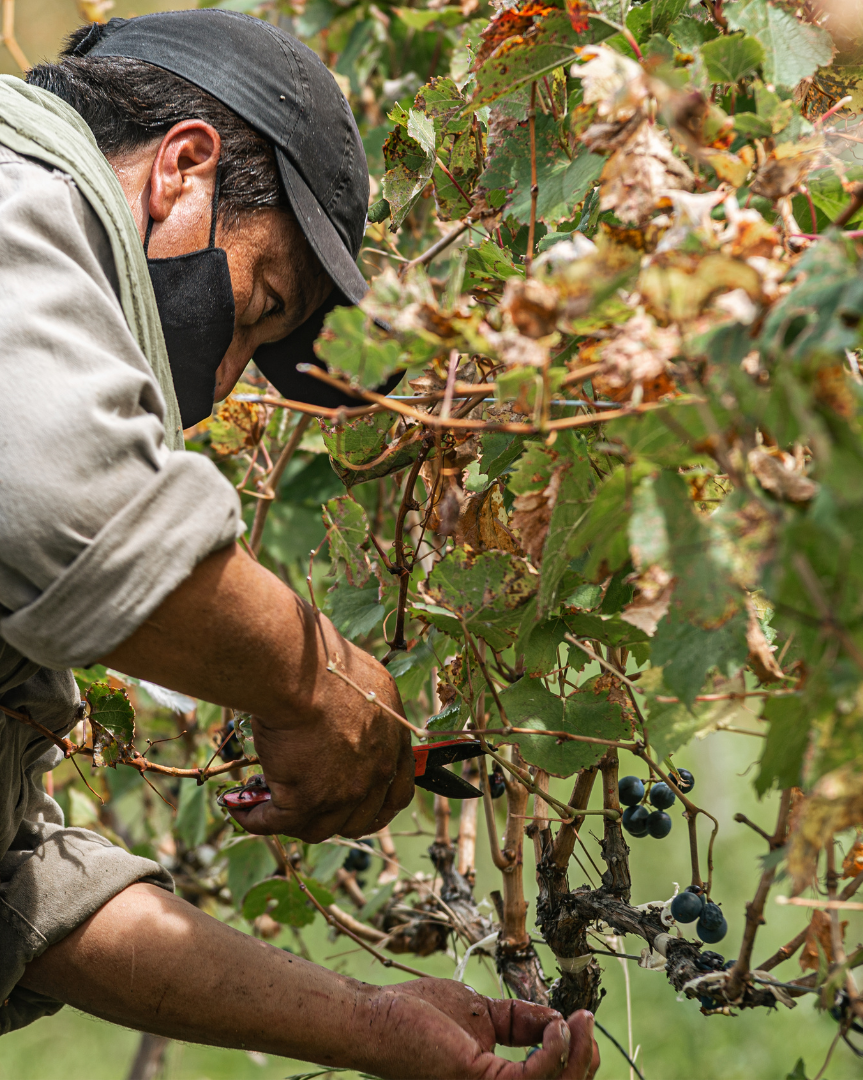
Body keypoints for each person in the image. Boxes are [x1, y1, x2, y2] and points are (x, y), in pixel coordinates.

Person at [0, 10, 598, 1077]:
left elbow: (18, 889)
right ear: (181, 170)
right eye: (260, 305)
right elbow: (65, 502)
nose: (222, 384)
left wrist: (373, 1028)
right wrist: (321, 685)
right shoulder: (15, 192)